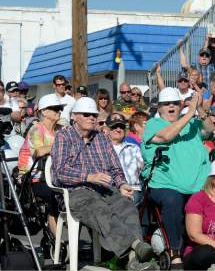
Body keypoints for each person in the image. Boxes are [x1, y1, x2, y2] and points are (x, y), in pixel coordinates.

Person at [50, 97, 157, 271]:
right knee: (99, 208)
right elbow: (60, 172)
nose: (92, 118)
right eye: (87, 114)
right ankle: (137, 247)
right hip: (75, 191)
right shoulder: (64, 136)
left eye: (94, 115)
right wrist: (88, 176)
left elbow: (115, 168)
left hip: (104, 189)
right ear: (75, 116)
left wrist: (122, 184)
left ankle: (132, 260)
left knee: (126, 205)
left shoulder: (102, 138)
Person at [141, 88, 213, 268]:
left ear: (180, 105)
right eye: (166, 104)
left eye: (175, 103)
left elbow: (209, 130)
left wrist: (200, 109)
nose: (171, 106)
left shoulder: (191, 123)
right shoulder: (153, 124)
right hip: (165, 183)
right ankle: (175, 253)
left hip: (198, 183)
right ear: (159, 107)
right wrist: (189, 113)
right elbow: (166, 136)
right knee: (173, 199)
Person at [17, 94, 64, 238]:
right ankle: (58, 241)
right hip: (32, 179)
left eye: (60, 108)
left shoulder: (60, 129)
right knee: (55, 195)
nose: (59, 111)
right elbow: (39, 151)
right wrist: (62, 145)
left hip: (54, 175)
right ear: (44, 112)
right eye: (55, 109)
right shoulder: (36, 129)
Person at [107, 114, 143, 207]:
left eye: (122, 127)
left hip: (131, 189)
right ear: (107, 129)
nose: (118, 130)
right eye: (114, 127)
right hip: (109, 189)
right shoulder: (101, 149)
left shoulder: (133, 148)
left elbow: (143, 167)